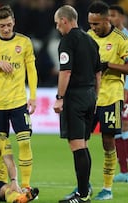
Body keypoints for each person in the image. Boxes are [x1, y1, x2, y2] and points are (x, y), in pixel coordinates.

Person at [0, 5, 38, 188]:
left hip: (18, 101)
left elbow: (31, 70)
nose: (6, 29)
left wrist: (33, 96)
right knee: (1, 148)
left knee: (25, 142)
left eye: (9, 25)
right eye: (2, 25)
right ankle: (7, 184)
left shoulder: (24, 42)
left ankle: (25, 187)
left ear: (14, 22)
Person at [86, 1, 128, 200]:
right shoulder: (87, 37)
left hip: (111, 97)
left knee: (108, 141)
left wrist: (109, 65)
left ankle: (107, 189)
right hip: (89, 97)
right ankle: (83, 185)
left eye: (96, 24)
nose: (93, 28)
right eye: (90, 23)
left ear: (106, 19)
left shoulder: (122, 39)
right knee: (80, 141)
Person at [53, 5, 101, 203]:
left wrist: (60, 97)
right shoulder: (91, 41)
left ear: (65, 20)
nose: (57, 27)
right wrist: (95, 97)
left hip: (74, 97)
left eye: (57, 23)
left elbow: (65, 72)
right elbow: (99, 73)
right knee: (83, 145)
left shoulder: (67, 41)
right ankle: (84, 191)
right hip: (90, 95)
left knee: (77, 146)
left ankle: (82, 195)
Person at [108, 4, 128, 183]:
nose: (110, 19)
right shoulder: (109, 38)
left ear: (122, 18)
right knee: (116, 128)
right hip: (112, 88)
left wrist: (126, 89)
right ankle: (123, 171)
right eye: (109, 16)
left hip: (126, 87)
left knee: (126, 125)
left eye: (113, 15)